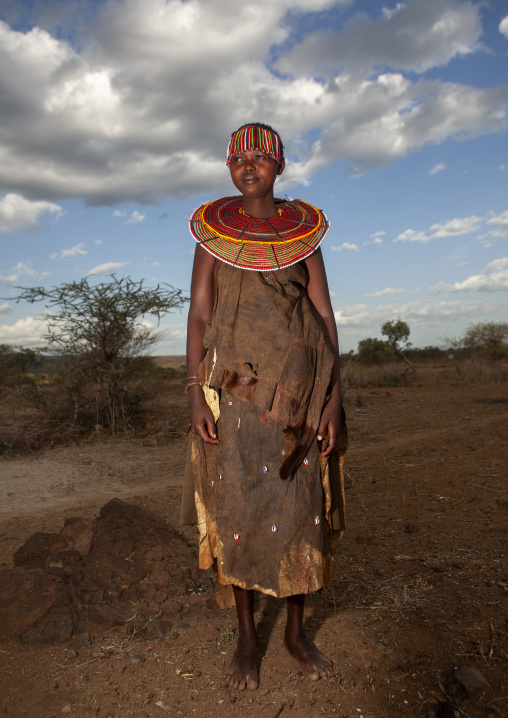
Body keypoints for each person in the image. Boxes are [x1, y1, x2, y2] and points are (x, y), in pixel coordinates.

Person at [184, 123, 346, 692]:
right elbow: (200, 317)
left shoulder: (306, 234)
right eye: (239, 158)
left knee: (300, 514)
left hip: (299, 398)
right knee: (238, 514)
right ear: (229, 167)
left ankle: (296, 634)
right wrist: (193, 393)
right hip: (234, 397)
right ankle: (247, 639)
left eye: (261, 158)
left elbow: (323, 316)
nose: (248, 166)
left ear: (279, 167)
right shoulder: (211, 235)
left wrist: (332, 401)